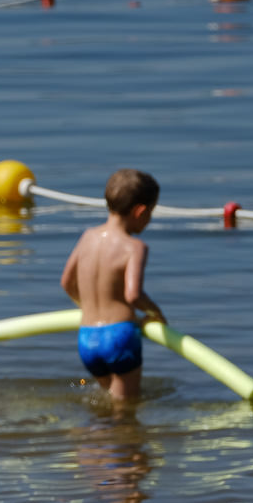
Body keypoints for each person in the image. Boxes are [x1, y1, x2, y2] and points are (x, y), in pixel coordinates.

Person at [60, 168, 166, 400]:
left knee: (107, 401)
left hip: (87, 338)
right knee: (125, 410)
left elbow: (66, 281)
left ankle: (96, 435)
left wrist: (86, 306)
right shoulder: (134, 247)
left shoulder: (88, 237)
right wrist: (156, 313)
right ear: (140, 211)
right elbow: (133, 295)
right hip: (119, 336)